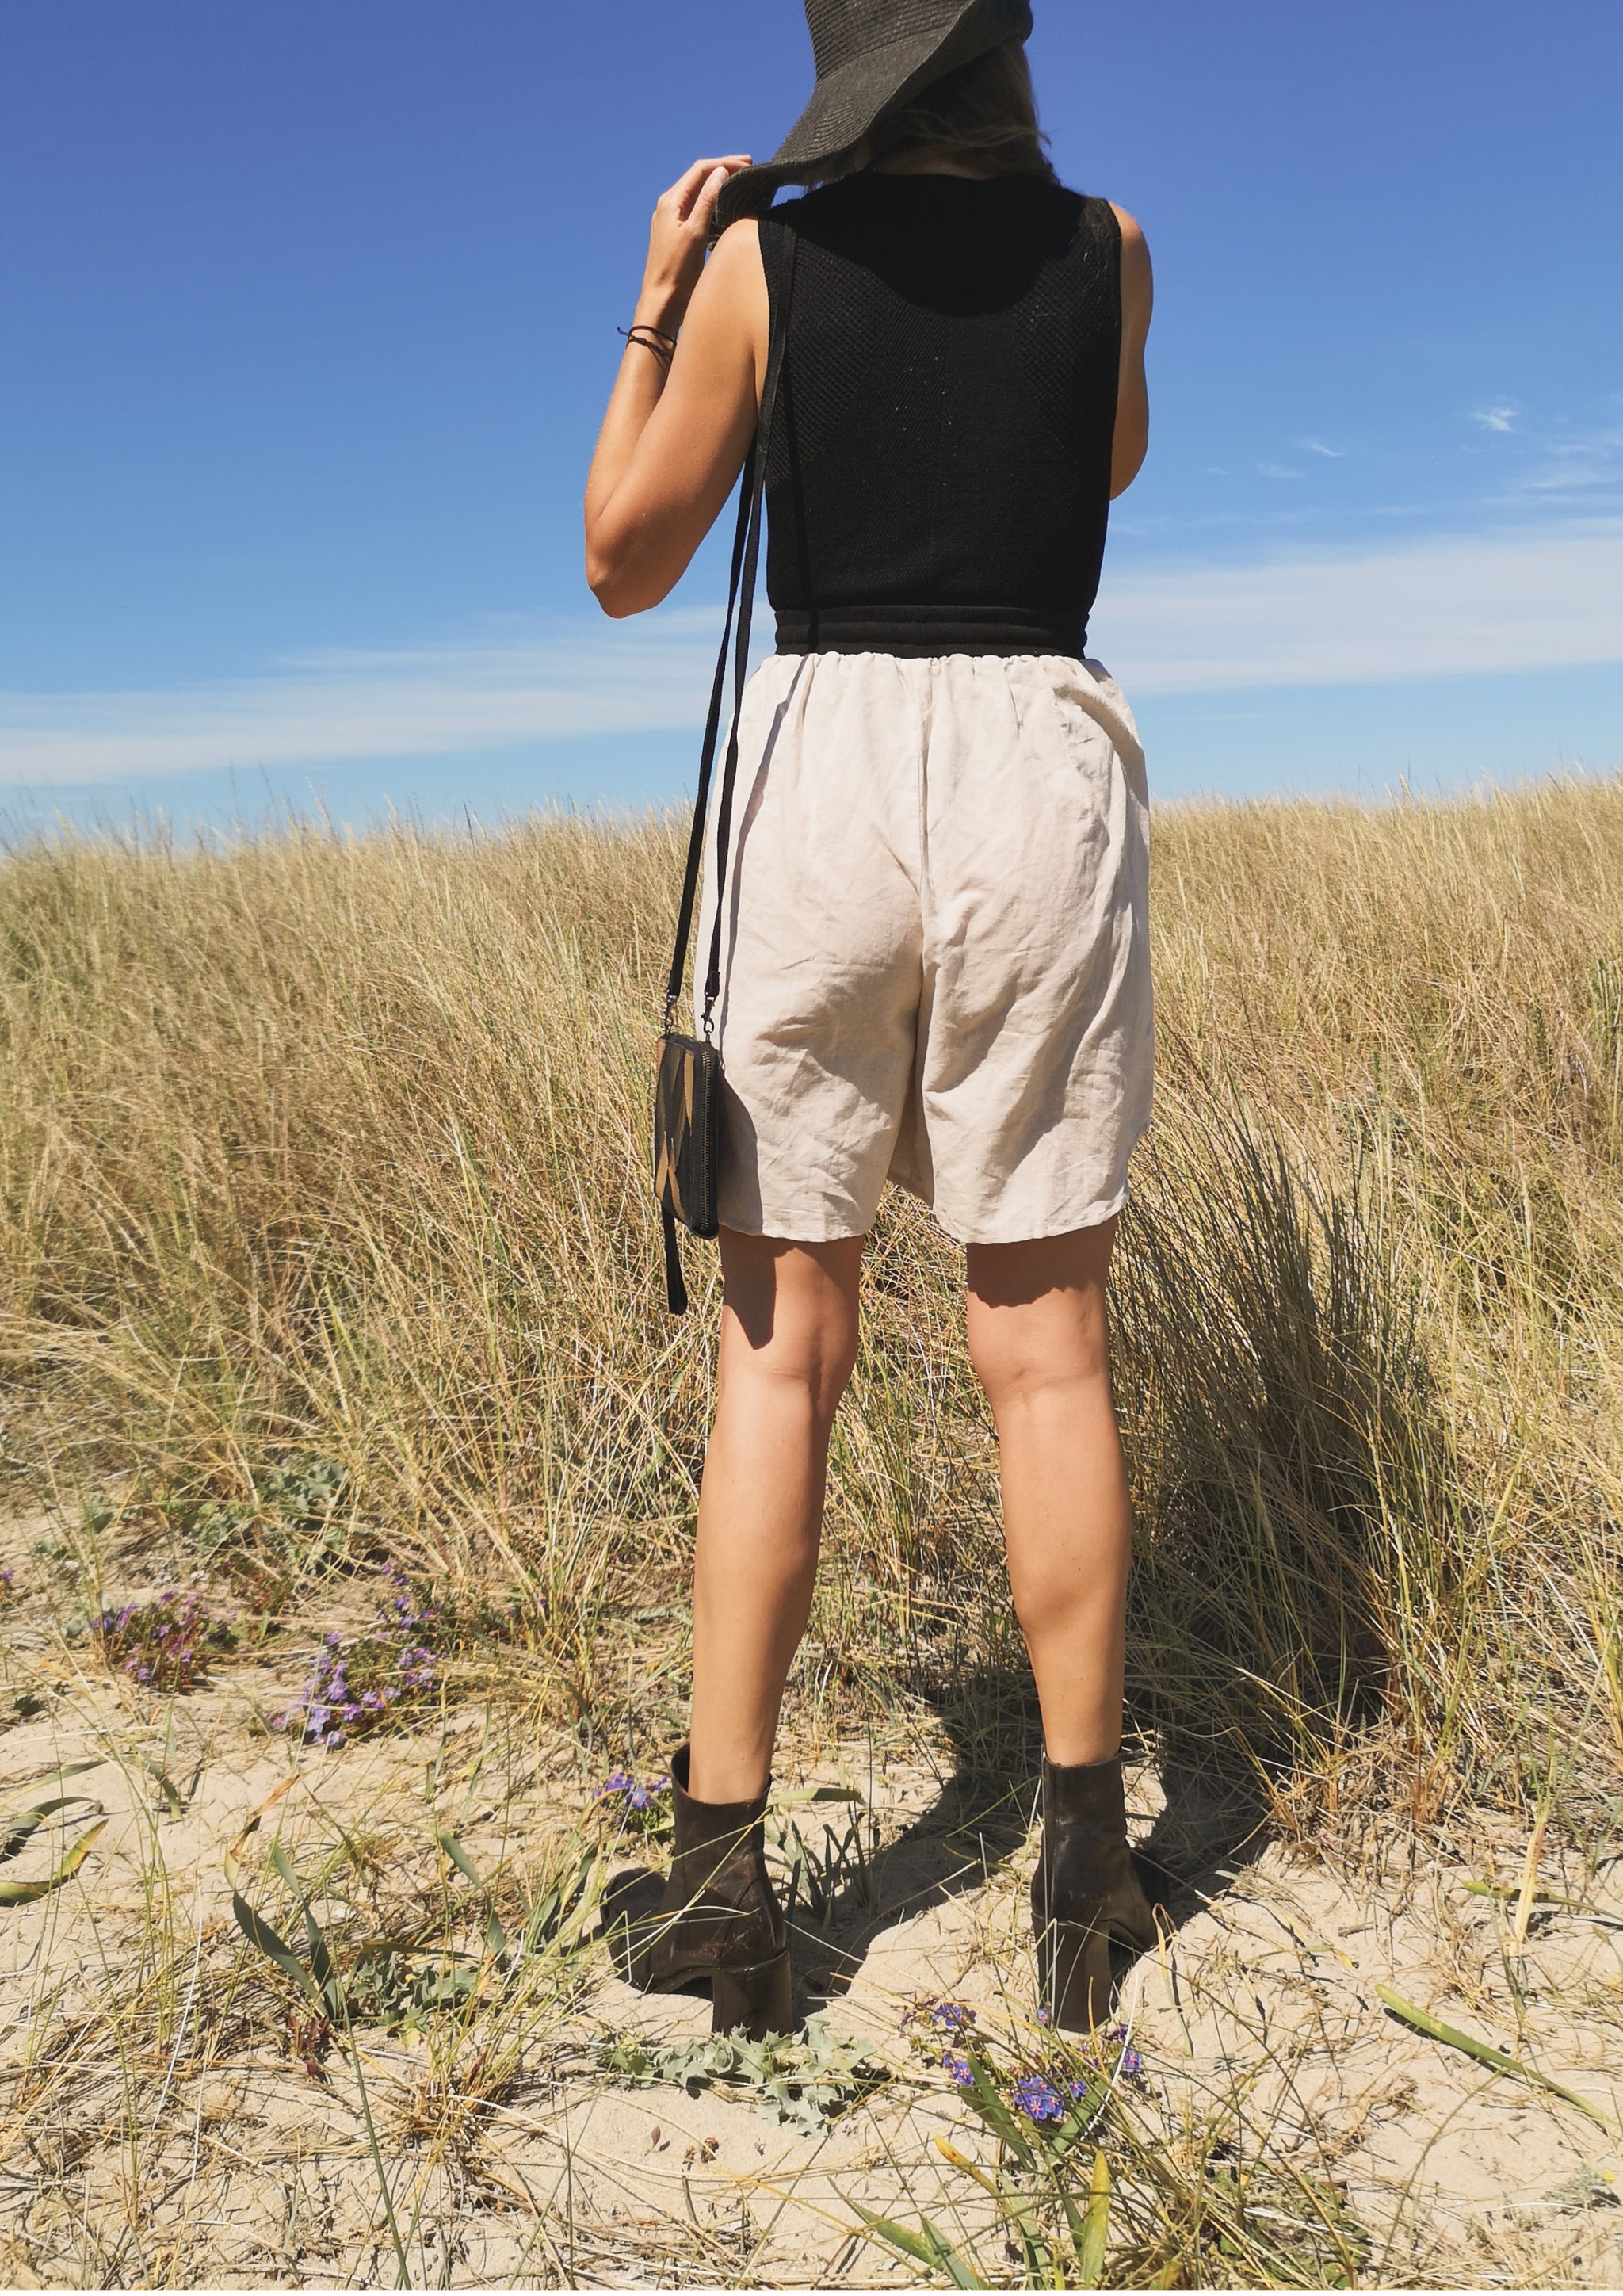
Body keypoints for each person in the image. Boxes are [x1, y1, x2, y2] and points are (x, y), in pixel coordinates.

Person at [584, 0, 1158, 2038]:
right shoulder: (1112, 250)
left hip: (822, 771)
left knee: (780, 1355)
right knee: (1046, 1350)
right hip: (1036, 754)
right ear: (994, 54)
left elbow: (622, 558)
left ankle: (724, 1881)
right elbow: (1105, 463)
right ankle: (1086, 1867)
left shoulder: (763, 261)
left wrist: (660, 304)